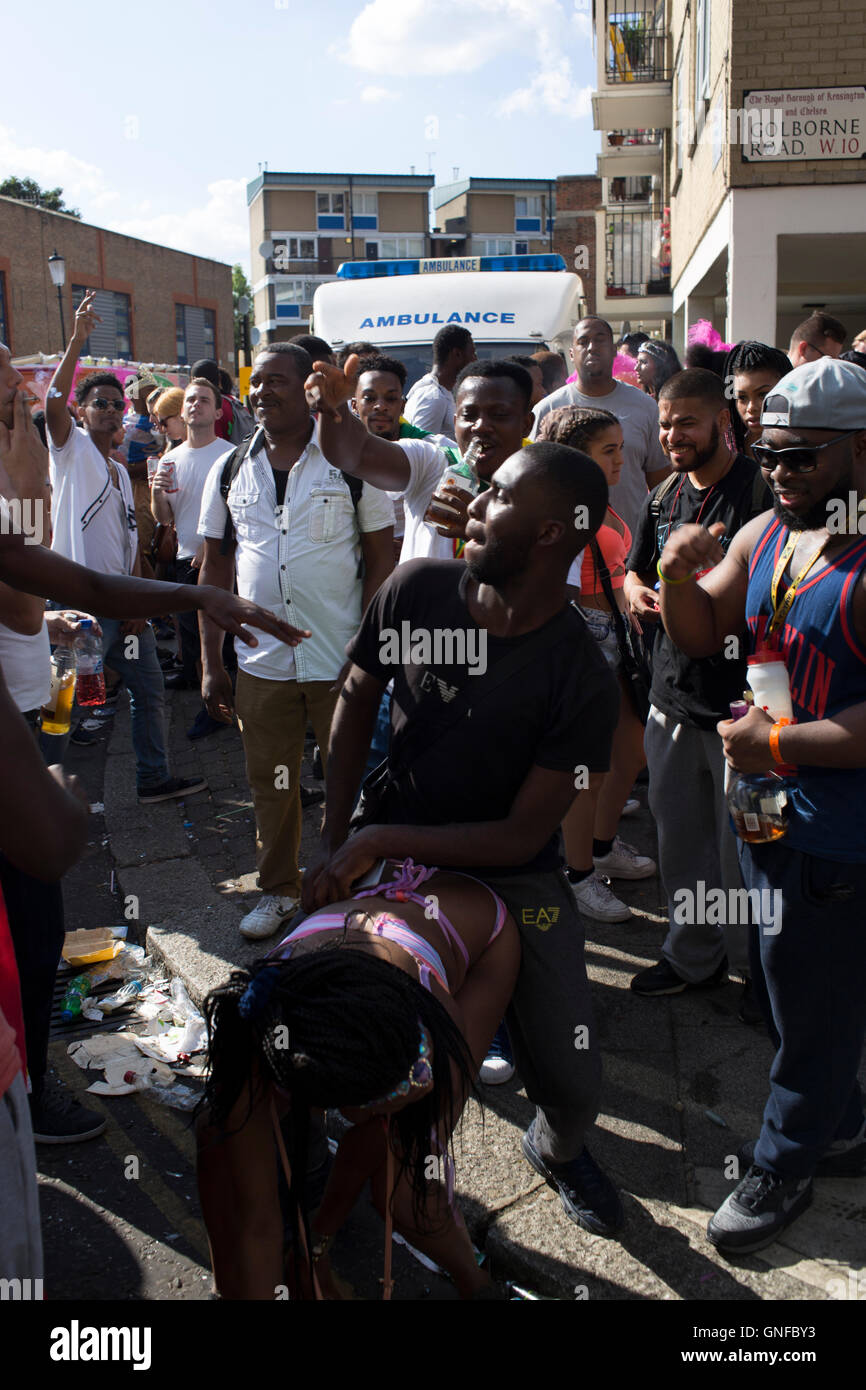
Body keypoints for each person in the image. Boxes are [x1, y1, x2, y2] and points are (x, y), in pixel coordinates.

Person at [298, 383, 626, 1234]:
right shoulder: (416, 590)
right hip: (392, 846)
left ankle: (553, 1151)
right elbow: (354, 703)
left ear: (552, 534)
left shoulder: (582, 675)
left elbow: (523, 834)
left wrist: (374, 836)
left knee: (574, 1079)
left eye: (497, 498)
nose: (470, 505)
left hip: (513, 873)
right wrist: (334, 841)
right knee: (321, 1014)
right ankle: (318, 1165)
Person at [656, 356, 866, 1255]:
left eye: (805, 457)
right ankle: (843, 1123)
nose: (780, 472)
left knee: (808, 1002)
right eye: (770, 453)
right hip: (767, 812)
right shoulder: (770, 529)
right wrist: (670, 573)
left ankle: (784, 1160)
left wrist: (774, 744)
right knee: (787, 983)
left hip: (836, 832)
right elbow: (702, 628)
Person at [197, 859, 520, 1299]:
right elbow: (255, 1224)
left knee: (408, 1197)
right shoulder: (261, 1023)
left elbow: (377, 1141)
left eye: (372, 1103)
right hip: (364, 938)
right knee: (219, 1135)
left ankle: (477, 1286)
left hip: (478, 929)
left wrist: (317, 1246)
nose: (357, 1117)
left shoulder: (426, 1044)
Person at [196, 343, 395, 942]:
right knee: (273, 781)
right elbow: (213, 570)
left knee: (351, 778)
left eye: (277, 382)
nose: (263, 393)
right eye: (257, 384)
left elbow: (383, 560)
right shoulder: (229, 468)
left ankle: (350, 887)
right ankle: (279, 890)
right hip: (261, 662)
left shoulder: (352, 461)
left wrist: (371, 651)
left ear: (308, 391)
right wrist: (212, 663)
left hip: (341, 659)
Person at [623, 369, 772, 1014]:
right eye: (664, 422)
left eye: (686, 421)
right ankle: (693, 957)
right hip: (670, 703)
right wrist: (640, 593)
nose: (672, 434)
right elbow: (632, 571)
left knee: (753, 851)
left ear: (722, 421)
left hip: (747, 713)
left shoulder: (763, 495)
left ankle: (760, 976)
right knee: (680, 843)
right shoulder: (662, 497)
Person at [44, 294, 208, 804]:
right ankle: (41, 794)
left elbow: (131, 544)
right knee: (63, 707)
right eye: (101, 404)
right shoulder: (68, 451)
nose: (113, 410)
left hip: (121, 607)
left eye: (118, 404)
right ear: (82, 412)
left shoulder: (118, 470)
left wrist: (137, 603)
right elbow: (52, 400)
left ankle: (152, 779)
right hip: (76, 610)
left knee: (149, 691)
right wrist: (76, 341)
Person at [537, 407, 655, 922]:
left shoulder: (598, 502)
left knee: (629, 752)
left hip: (619, 638)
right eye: (608, 450)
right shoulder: (563, 506)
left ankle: (603, 847)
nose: (621, 460)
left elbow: (617, 567)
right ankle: (578, 875)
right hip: (584, 638)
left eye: (621, 449)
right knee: (587, 769)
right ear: (576, 456)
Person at [151, 379, 235, 746]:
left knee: (227, 642)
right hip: (186, 561)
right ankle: (213, 707)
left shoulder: (232, 454)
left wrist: (209, 546)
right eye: (190, 400)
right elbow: (164, 516)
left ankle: (233, 707)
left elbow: (238, 512)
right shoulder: (170, 458)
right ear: (182, 411)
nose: (195, 405)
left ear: (217, 412)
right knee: (196, 642)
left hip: (224, 561)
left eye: (204, 400)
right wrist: (156, 493)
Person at [533, 316, 670, 531]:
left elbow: (660, 485)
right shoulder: (547, 409)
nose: (592, 347)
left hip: (631, 547)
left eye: (600, 340)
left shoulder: (645, 407)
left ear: (614, 349)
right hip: (569, 548)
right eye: (583, 341)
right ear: (571, 353)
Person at [723, 341, 792, 459]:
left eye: (762, 394)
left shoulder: (804, 447)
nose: (751, 407)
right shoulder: (726, 455)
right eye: (742, 397)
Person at [404, 325, 476, 437]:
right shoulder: (432, 396)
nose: (475, 359)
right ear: (457, 354)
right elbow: (422, 447)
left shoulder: (440, 392)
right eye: (472, 353)